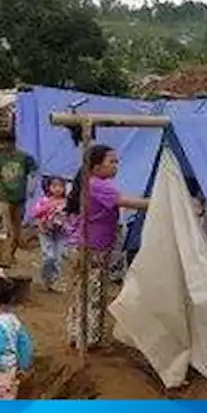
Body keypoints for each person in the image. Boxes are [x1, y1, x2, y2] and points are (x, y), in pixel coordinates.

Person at [64, 145, 148, 350]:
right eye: (112, 161)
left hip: (81, 245)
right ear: (96, 166)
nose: (116, 165)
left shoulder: (88, 183)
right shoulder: (100, 185)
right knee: (93, 292)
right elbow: (126, 201)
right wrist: (158, 201)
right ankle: (89, 338)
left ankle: (75, 334)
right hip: (94, 247)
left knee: (80, 291)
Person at [0, 131, 37, 270]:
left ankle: (10, 254)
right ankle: (5, 259)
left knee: (17, 230)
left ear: (12, 143)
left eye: (5, 143)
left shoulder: (24, 158)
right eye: (1, 144)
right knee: (7, 228)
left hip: (20, 198)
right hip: (3, 197)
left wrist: (31, 188)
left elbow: (34, 172)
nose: (2, 146)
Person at [30, 176, 69, 292]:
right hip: (46, 232)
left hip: (61, 233)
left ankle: (54, 281)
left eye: (61, 186)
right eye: (54, 186)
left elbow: (72, 217)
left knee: (59, 258)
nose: (58, 189)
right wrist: (48, 207)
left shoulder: (67, 202)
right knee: (49, 256)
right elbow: (35, 213)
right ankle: (46, 278)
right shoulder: (44, 201)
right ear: (49, 187)